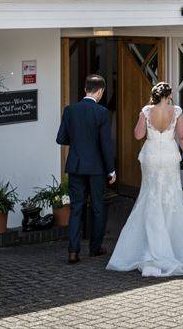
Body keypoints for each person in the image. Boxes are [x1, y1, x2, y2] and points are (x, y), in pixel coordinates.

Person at [106, 82, 183, 277]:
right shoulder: (176, 111)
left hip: (151, 156)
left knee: (150, 196)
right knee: (171, 195)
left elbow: (138, 135)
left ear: (154, 95)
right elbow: (182, 136)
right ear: (168, 96)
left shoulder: (146, 110)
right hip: (168, 156)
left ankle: (149, 245)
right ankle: (174, 246)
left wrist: (143, 119)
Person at [56, 74, 116, 264]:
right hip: (97, 168)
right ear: (100, 91)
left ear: (85, 89)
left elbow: (60, 139)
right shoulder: (102, 112)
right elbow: (106, 144)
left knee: (76, 208)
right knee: (98, 208)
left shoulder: (70, 110)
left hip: (75, 165)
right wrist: (111, 170)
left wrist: (77, 141)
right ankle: (95, 248)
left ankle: (73, 252)